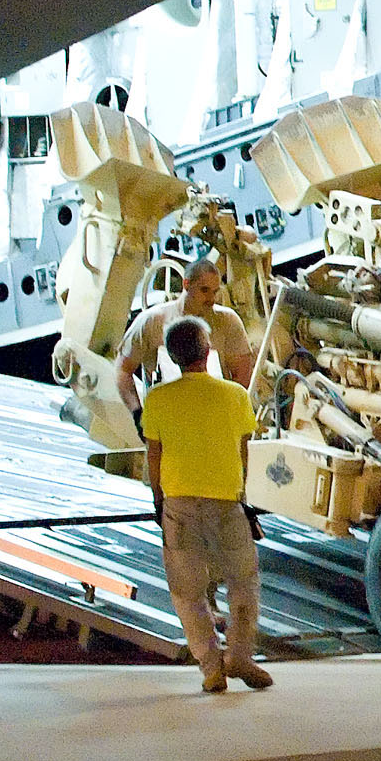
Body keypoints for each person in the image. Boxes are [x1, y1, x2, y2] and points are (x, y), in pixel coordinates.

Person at [140, 315, 270, 693]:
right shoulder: (235, 396)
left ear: (171, 355)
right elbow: (243, 453)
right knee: (243, 583)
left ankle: (211, 668)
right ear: (209, 350)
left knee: (187, 591)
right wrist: (240, 493)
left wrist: (158, 501)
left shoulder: (158, 399)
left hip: (178, 504)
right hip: (227, 503)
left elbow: (154, 456)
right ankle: (241, 656)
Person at [116, 254, 257, 410]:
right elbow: (123, 370)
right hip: (166, 419)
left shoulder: (228, 321)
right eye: (204, 290)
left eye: (215, 292)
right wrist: (137, 414)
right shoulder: (151, 321)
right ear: (186, 284)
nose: (211, 299)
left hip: (216, 415)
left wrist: (234, 414)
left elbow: (242, 375)